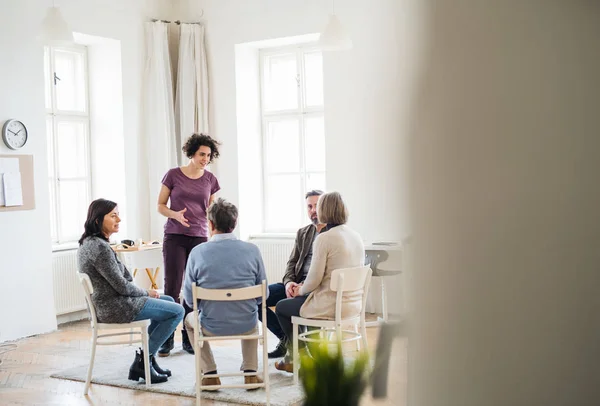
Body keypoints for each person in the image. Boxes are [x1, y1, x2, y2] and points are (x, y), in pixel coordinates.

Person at [77, 198, 184, 384]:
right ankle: (144, 361)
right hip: (116, 306)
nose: (119, 220)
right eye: (113, 216)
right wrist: (146, 292)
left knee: (169, 301)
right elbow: (122, 285)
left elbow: (123, 279)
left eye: (118, 215)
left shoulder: (91, 243)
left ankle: (148, 360)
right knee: (178, 311)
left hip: (112, 302)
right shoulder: (100, 248)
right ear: (98, 220)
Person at [274, 191, 365, 372]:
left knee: (283, 307)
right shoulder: (355, 236)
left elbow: (314, 280)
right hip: (353, 305)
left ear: (324, 209)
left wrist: (298, 290)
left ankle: (303, 356)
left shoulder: (325, 238)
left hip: (329, 304)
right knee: (293, 302)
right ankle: (294, 357)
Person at [182, 198, 268, 389]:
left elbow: (189, 299)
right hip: (246, 323)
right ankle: (251, 374)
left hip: (210, 325)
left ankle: (210, 373)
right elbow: (264, 295)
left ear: (210, 224)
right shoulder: (252, 250)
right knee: (251, 315)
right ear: (234, 223)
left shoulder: (197, 253)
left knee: (189, 321)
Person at [157, 133, 221, 356]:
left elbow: (212, 210)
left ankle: (188, 334)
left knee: (193, 288)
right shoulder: (173, 175)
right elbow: (160, 205)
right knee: (172, 287)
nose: (205, 159)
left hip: (200, 237)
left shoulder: (210, 180)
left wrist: (216, 228)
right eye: (202, 154)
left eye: (209, 155)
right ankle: (166, 337)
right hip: (175, 236)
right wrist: (175, 214)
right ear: (192, 153)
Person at [259, 190, 325, 358]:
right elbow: (291, 263)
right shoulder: (303, 233)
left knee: (291, 308)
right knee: (258, 297)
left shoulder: (331, 235)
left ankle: (297, 347)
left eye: (316, 205)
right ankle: (287, 339)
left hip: (316, 288)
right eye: (309, 206)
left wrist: (305, 286)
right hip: (295, 283)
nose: (313, 210)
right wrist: (289, 283)